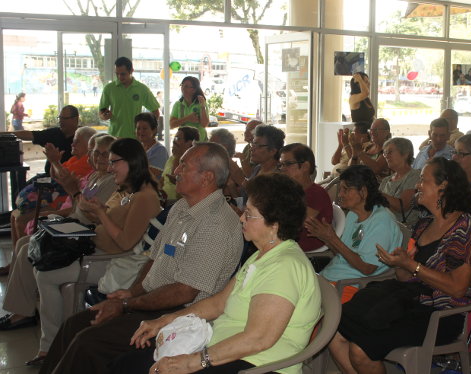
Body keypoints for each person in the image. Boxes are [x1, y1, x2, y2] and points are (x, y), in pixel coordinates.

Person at [38, 143, 245, 374]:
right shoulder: (181, 208)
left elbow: (185, 292)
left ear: (207, 177)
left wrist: (126, 305)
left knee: (88, 342)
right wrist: (133, 292)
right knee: (73, 325)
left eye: (183, 166)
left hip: (179, 314)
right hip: (151, 300)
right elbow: (154, 259)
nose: (175, 171)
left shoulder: (215, 224)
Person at [111, 173, 322, 374]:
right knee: (128, 364)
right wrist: (166, 320)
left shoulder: (285, 267)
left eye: (249, 214)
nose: (241, 219)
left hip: (256, 365)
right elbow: (218, 304)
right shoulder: (262, 257)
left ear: (274, 224)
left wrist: (194, 362)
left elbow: (258, 339)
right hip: (226, 352)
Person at [328, 157, 471, 373]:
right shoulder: (424, 225)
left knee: (360, 349)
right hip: (410, 299)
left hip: (441, 312)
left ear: (444, 186)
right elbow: (404, 277)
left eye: (423, 180)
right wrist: (401, 263)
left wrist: (413, 266)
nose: (417, 186)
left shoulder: (465, 226)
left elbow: (458, 288)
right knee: (334, 330)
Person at [24, 138, 162, 365]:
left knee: (47, 275)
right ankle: (52, 341)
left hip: (113, 260)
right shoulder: (127, 190)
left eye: (114, 162)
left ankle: (50, 346)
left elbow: (126, 242)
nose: (110, 168)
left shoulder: (146, 196)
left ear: (131, 162)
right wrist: (94, 211)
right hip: (96, 248)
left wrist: (101, 213)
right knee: (42, 260)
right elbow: (107, 219)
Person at [0, 135, 118, 330]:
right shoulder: (94, 176)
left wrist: (73, 191)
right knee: (24, 243)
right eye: (96, 153)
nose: (100, 158)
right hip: (74, 226)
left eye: (105, 154)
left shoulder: (112, 181)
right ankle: (23, 308)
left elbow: (94, 214)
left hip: (84, 234)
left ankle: (22, 313)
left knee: (29, 247)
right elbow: (71, 193)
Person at [306, 165, 402, 295]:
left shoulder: (382, 222)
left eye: (345, 190)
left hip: (350, 286)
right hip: (330, 277)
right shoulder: (353, 214)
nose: (340, 194)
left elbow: (367, 268)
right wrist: (327, 239)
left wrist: (333, 238)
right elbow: (342, 254)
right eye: (340, 189)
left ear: (363, 191)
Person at [278, 143, 333, 252]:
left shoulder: (316, 193)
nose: (282, 169)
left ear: (305, 166)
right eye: (281, 164)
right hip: (287, 243)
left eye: (288, 164)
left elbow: (294, 224)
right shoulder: (291, 191)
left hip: (303, 246)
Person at [0, 104, 79, 174]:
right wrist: (3, 134)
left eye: (64, 119)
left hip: (71, 180)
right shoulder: (54, 133)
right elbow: (30, 134)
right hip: (49, 177)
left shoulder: (83, 136)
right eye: (60, 118)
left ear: (75, 119)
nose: (61, 121)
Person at [98, 57, 160, 139]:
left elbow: (155, 111)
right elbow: (101, 112)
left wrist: (149, 131)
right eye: (117, 74)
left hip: (135, 137)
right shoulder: (109, 88)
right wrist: (104, 116)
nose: (120, 77)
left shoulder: (142, 89)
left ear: (131, 71)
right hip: (114, 136)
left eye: (123, 74)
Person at [379, 137, 422, 227]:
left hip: (402, 229)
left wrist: (378, 194)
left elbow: (402, 207)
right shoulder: (386, 180)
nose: (386, 156)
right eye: (385, 153)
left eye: (389, 152)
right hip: (383, 224)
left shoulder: (415, 176)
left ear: (405, 154)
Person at [159, 127, 199, 204]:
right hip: (163, 199)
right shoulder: (171, 158)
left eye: (177, 138)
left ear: (189, 143)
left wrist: (179, 156)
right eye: (174, 138)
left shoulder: (192, 163)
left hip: (178, 202)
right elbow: (162, 180)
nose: (174, 141)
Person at [209, 128, 245, 200]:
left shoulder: (234, 170)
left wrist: (231, 187)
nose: (208, 148)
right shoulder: (211, 167)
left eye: (212, 144)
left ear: (224, 147)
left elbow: (241, 203)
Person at [170, 76, 209, 141]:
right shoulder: (178, 104)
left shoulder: (201, 103)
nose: (183, 88)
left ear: (194, 90)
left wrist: (202, 107)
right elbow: (171, 125)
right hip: (183, 141)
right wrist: (187, 118)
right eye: (182, 85)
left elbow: (204, 124)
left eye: (186, 86)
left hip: (199, 141)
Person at [134, 112, 168, 180]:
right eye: (138, 128)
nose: (141, 131)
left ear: (154, 130)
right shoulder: (137, 148)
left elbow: (149, 175)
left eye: (144, 128)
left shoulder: (160, 150)